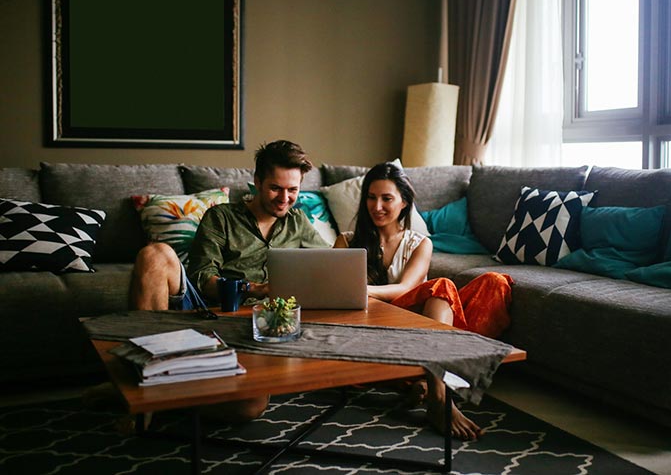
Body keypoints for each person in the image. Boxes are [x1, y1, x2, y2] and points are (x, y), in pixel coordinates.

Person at [87, 140, 330, 424]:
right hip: (209, 308)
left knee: (250, 406)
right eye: (276, 188)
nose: (284, 198)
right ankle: (143, 380)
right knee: (154, 254)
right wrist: (254, 288)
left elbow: (327, 263)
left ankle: (138, 393)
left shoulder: (298, 221)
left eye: (293, 190)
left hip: (261, 324)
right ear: (257, 182)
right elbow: (202, 277)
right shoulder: (222, 217)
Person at [334, 162, 513, 441]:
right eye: (371, 197)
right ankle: (440, 396)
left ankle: (425, 379)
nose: (376, 205)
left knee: (495, 282)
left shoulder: (420, 243)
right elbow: (337, 296)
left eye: (387, 198)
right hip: (380, 333)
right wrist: (358, 293)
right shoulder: (346, 242)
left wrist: (361, 289)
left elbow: (406, 288)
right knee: (442, 287)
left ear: (404, 203)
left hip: (423, 330)